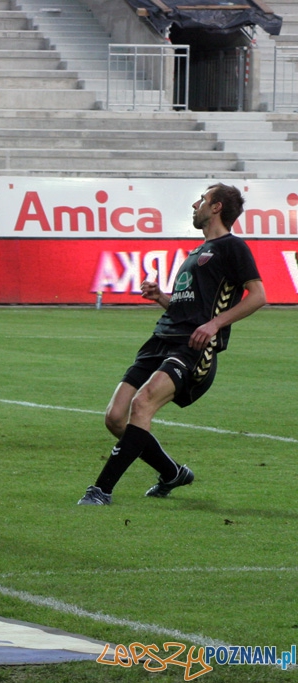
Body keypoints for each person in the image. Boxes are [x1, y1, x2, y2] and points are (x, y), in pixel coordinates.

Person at [78, 183, 266, 506]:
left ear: (217, 207)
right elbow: (187, 307)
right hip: (160, 339)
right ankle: (171, 472)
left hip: (192, 348)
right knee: (115, 417)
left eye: (203, 200)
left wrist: (215, 324)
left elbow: (259, 296)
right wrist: (162, 298)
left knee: (143, 403)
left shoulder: (233, 247)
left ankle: (100, 490)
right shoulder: (197, 252)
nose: (196, 204)